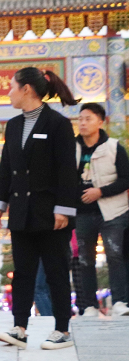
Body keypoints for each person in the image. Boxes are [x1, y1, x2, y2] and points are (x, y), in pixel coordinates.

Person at [0, 67, 80, 350]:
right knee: (23, 272)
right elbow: (7, 168)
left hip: (52, 213)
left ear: (26, 89)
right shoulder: (13, 125)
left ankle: (62, 330)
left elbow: (68, 171)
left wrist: (64, 209)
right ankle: (19, 328)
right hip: (21, 211)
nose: (8, 92)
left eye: (11, 87)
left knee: (56, 271)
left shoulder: (58, 124)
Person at [74, 102, 129, 318]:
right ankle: (89, 305)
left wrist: (100, 191)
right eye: (80, 119)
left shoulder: (115, 147)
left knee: (115, 255)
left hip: (113, 211)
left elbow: (126, 180)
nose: (83, 123)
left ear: (100, 121)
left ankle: (120, 302)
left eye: (88, 118)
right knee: (85, 260)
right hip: (82, 213)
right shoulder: (71, 149)